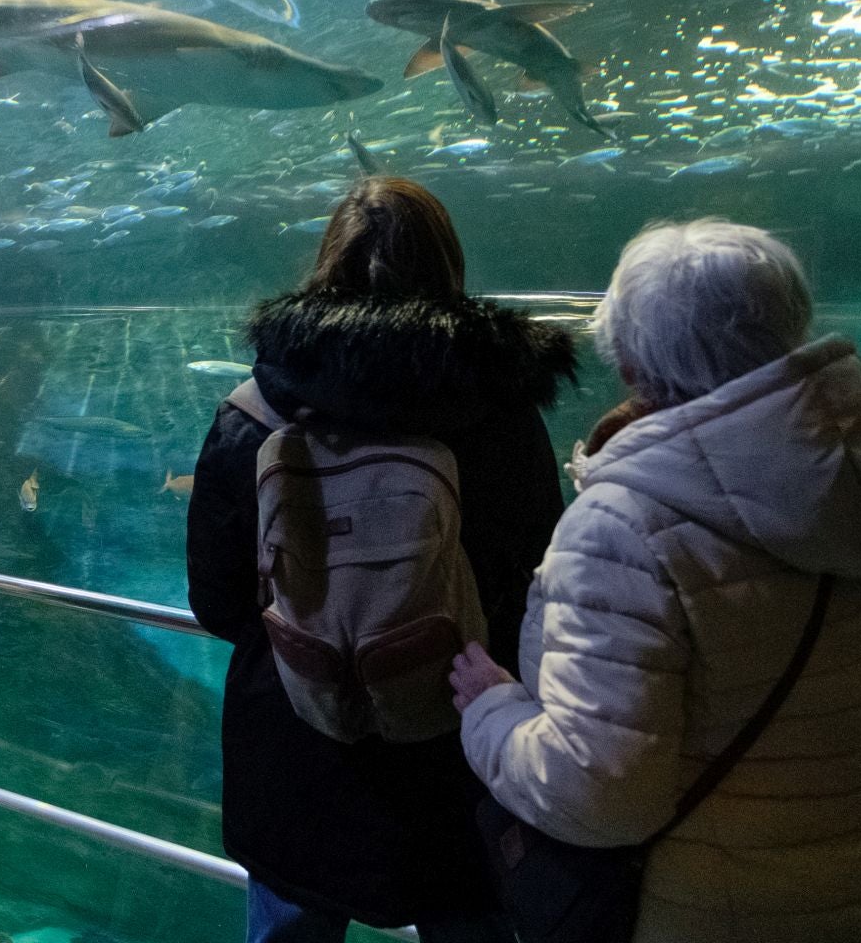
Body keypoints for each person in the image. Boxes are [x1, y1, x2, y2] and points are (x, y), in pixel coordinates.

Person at [451, 218, 861, 943]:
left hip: (700, 913)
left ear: (635, 365)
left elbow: (600, 792)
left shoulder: (622, 525)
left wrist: (490, 711)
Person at [186, 177, 575, 943]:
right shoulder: (501, 417)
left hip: (298, 745)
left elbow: (217, 600)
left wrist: (326, 645)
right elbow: (538, 583)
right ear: (448, 266)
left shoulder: (250, 415)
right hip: (459, 755)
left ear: (324, 266)